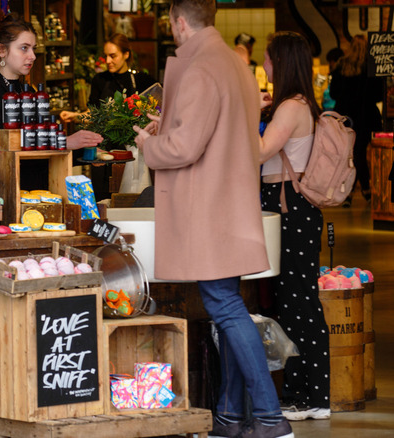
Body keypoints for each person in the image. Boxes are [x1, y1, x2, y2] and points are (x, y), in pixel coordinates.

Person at [132, 1, 293, 437]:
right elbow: (212, 129)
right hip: (231, 201)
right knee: (230, 304)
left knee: (224, 307)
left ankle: (270, 417)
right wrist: (171, 124)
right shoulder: (235, 65)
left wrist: (149, 143)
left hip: (207, 206)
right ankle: (230, 416)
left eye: (171, 25)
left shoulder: (201, 67)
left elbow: (184, 148)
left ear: (179, 23)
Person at [258, 31, 330, 422]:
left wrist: (245, 114)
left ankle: (311, 396)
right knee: (295, 300)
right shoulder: (295, 104)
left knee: (299, 301)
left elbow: (260, 151)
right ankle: (306, 393)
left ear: (280, 61)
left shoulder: (291, 106)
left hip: (292, 207)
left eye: (267, 59)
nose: (264, 66)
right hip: (291, 207)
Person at [0, 13, 102, 170]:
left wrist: (85, 153)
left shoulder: (29, 91)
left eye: (33, 49)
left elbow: (42, 155)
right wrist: (65, 142)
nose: (32, 56)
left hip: (42, 189)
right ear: (1, 50)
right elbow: (1, 150)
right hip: (9, 188)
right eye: (24, 48)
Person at [330, 34, 383, 206]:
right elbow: (378, 95)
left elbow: (333, 93)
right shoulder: (371, 66)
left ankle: (349, 192)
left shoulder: (341, 65)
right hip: (366, 117)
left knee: (349, 155)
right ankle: (365, 190)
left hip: (345, 118)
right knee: (360, 153)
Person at [60, 33, 157, 123]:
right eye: (106, 56)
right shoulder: (100, 79)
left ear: (126, 54)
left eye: (113, 56)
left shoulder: (141, 79)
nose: (107, 61)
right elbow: (92, 114)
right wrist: (75, 116)